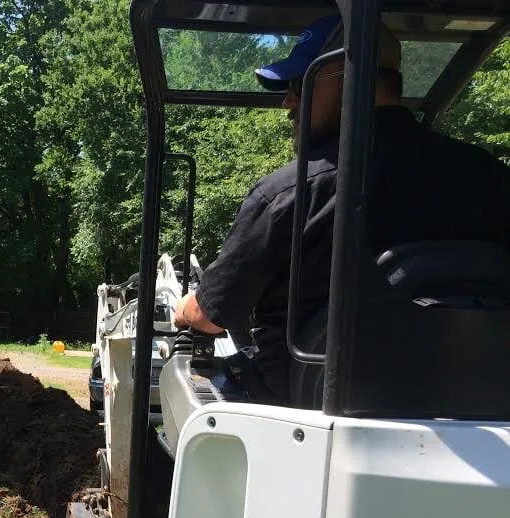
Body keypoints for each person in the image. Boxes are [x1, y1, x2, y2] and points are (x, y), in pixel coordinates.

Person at [172, 14, 510, 405]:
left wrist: (184, 310)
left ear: (345, 75)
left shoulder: (292, 195)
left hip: (305, 409)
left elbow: (210, 315)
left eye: (298, 85)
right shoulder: (490, 180)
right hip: (478, 401)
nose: (287, 101)